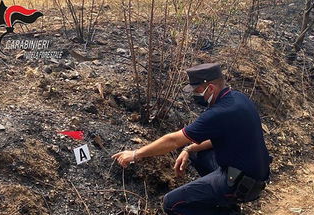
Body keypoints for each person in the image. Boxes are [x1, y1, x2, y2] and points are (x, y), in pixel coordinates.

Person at [112, 63, 271, 215]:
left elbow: (173, 140)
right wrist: (188, 149)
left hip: (242, 185)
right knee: (195, 152)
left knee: (172, 203)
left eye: (197, 90)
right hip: (252, 175)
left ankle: (227, 209)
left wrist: (135, 154)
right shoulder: (238, 98)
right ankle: (227, 206)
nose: (195, 95)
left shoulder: (219, 113)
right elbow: (216, 138)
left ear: (210, 88)